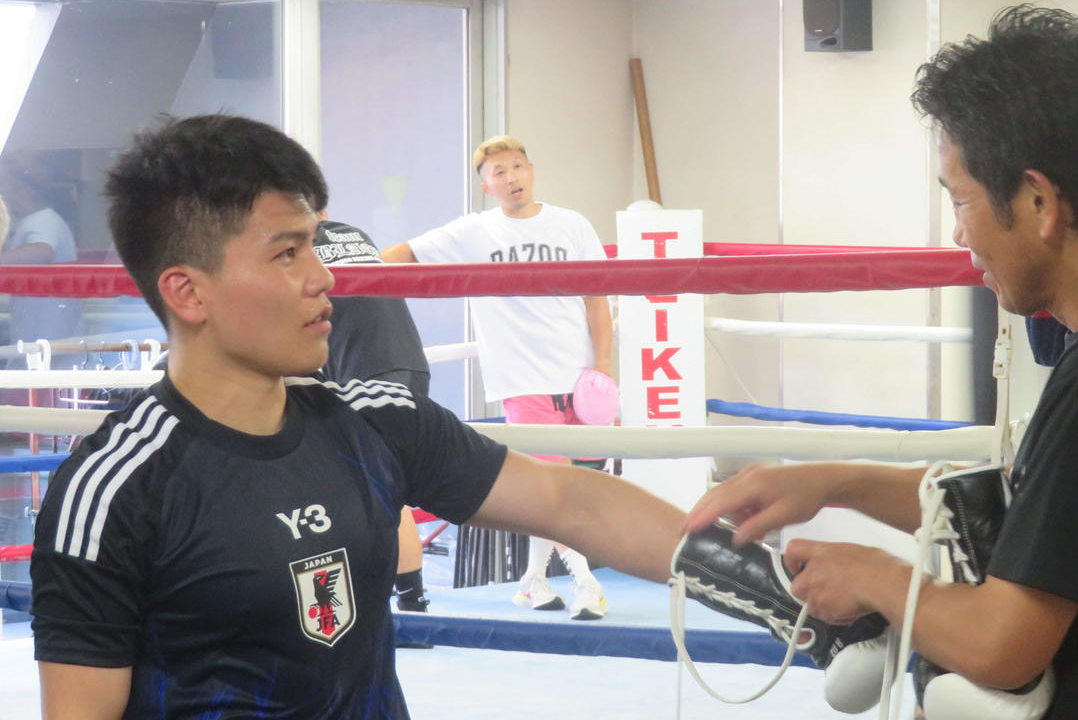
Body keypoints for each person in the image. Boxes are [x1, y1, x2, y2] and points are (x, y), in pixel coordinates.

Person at [684, 5, 1078, 719]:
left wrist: (871, 575)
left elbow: (1000, 645)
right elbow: (1049, 516)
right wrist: (834, 482)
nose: (960, 234)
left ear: (1039, 200)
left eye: (962, 200)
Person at [29, 114, 684, 718]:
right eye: (287, 254)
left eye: (313, 247)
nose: (325, 278)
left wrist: (733, 562)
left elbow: (572, 501)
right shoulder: (117, 490)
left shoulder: (375, 419)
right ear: (188, 292)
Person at [383, 135, 616, 620]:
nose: (512, 178)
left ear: (531, 169)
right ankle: (586, 582)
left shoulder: (572, 224)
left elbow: (598, 297)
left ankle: (533, 582)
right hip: (523, 379)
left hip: (579, 379)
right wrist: (340, 272)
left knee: (568, 487)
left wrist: (603, 366)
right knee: (555, 490)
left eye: (517, 166)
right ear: (486, 187)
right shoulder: (474, 230)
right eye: (499, 172)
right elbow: (402, 253)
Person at [311, 216, 434, 612]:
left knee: (367, 490)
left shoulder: (290, 245)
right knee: (387, 488)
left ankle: (384, 605)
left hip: (367, 374)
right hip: (407, 364)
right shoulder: (352, 233)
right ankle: (411, 604)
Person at [0, 155, 82, 347]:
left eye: (6, 189)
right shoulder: (35, 221)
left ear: (20, 189)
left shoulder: (43, 221)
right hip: (40, 336)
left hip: (48, 338)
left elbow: (41, 252)